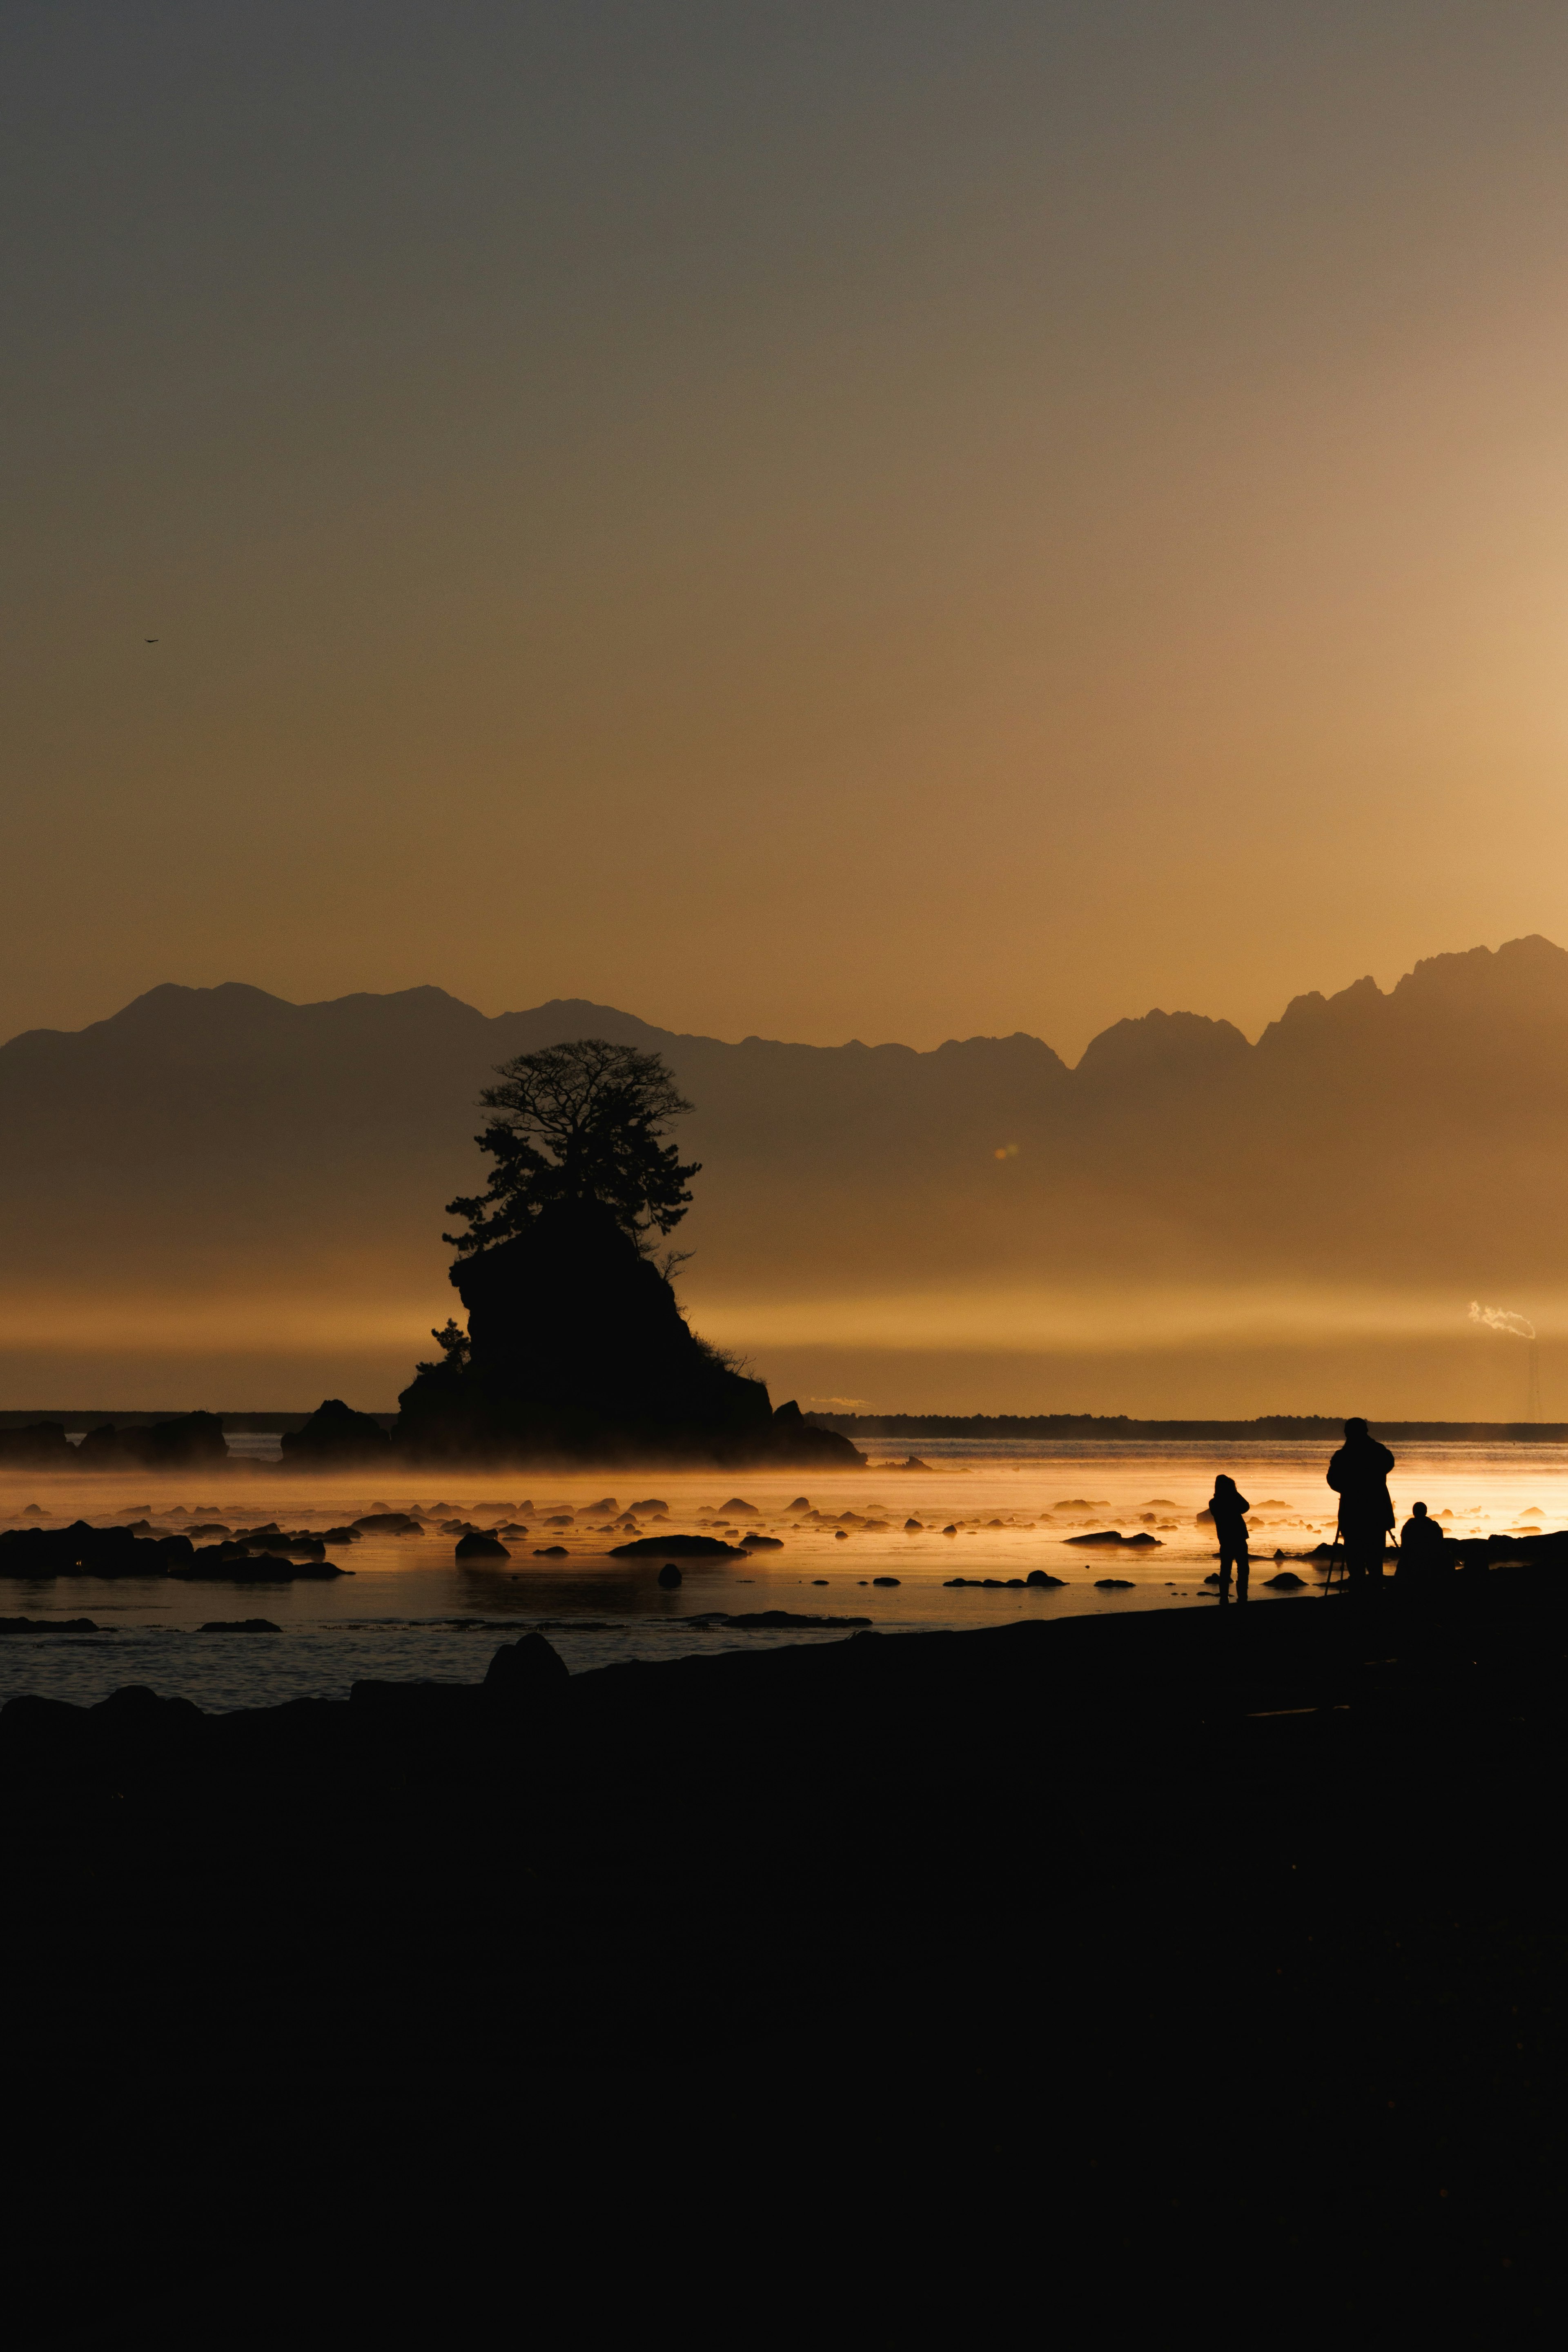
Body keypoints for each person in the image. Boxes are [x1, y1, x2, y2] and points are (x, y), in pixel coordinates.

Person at [1326, 1417, 1395, 1594]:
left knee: (1355, 1558)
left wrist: (1348, 1488)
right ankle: (1375, 1594)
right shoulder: (1379, 1451)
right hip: (1377, 1513)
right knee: (1375, 1558)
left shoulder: (1342, 1456)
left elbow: (1333, 1481)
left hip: (1353, 1514)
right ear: (1365, 1431)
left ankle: (1358, 1595)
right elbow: (1389, 1463)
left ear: (1348, 1433)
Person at [1208, 1473, 1251, 1601]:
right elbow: (1245, 1507)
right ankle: (1241, 1597)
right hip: (1237, 1537)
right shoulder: (1227, 1500)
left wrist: (1234, 1494)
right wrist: (1235, 1493)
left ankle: (1225, 1598)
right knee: (1241, 1569)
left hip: (1227, 1539)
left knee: (1227, 1570)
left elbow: (1245, 1507)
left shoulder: (1214, 1502)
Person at [1397, 1499, 1448, 1589]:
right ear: (1426, 1512)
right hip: (1431, 1561)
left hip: (1412, 1560)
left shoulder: (1409, 1526)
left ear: (1414, 1512)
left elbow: (1404, 1544)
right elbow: (1440, 1544)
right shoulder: (1433, 1525)